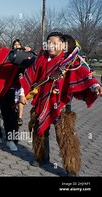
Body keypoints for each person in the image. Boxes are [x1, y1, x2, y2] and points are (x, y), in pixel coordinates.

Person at [19, 32, 102, 176]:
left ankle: (71, 168)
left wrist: (94, 86)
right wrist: (21, 93)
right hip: (42, 102)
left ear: (63, 45)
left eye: (54, 43)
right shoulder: (41, 59)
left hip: (61, 104)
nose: (51, 46)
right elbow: (29, 75)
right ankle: (41, 158)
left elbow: (84, 73)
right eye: (49, 43)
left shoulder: (69, 61)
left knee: (65, 137)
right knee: (40, 133)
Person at [11, 39, 32, 127]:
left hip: (21, 78)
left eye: (18, 44)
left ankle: (20, 117)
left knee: (21, 97)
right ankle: (13, 112)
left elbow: (31, 59)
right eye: (15, 44)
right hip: (12, 79)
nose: (16, 46)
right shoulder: (11, 54)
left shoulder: (24, 54)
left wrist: (29, 51)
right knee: (12, 98)